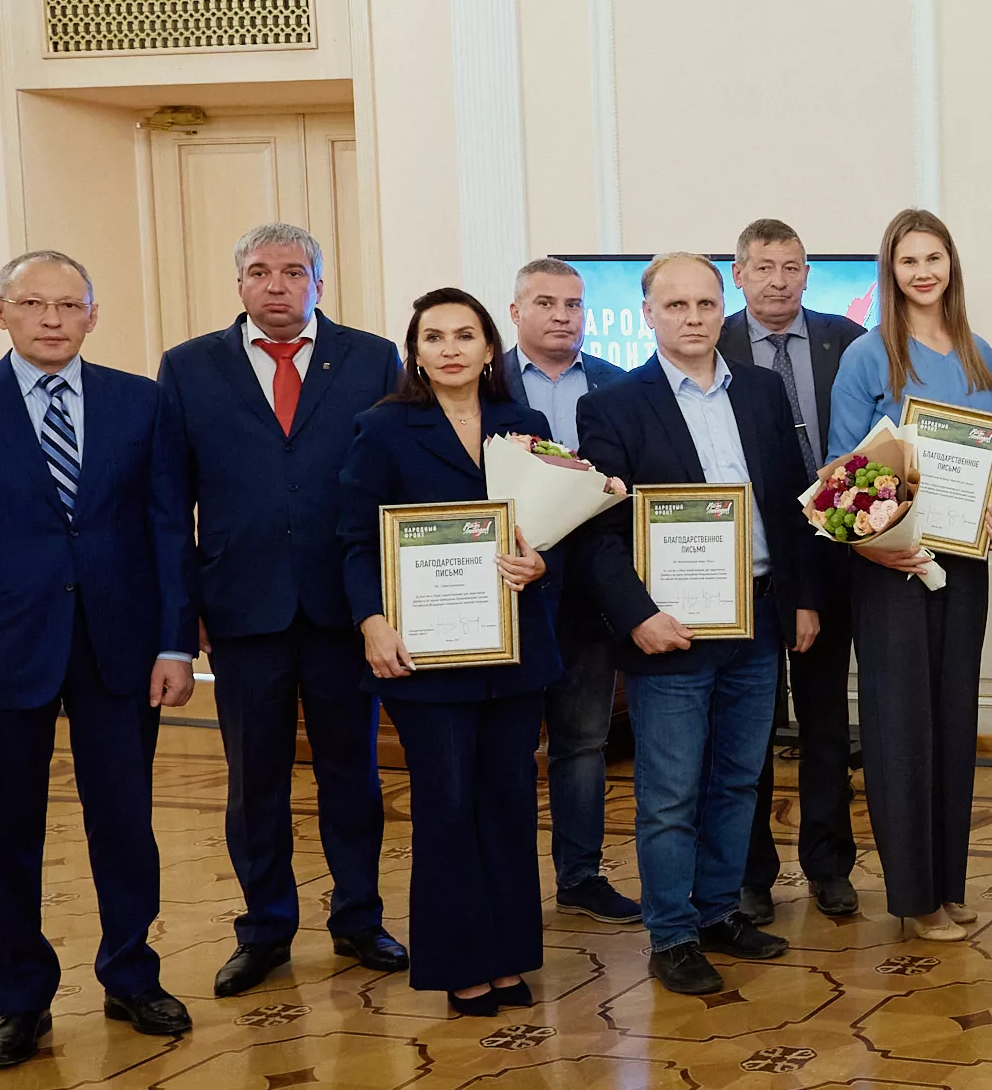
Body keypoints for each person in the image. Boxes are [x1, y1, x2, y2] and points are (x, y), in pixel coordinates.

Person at [0, 252, 196, 1067]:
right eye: (33, 304)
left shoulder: (141, 402)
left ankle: (131, 974)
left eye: (70, 306)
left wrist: (175, 641)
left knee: (125, 825)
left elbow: (168, 530)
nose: (53, 320)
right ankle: (19, 998)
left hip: (121, 649)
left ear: (93, 315)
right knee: (5, 833)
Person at [155, 223, 405, 996]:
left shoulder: (371, 359)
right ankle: (264, 929)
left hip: (344, 608)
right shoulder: (189, 367)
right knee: (254, 782)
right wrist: (180, 617)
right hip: (240, 609)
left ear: (318, 284)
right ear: (239, 283)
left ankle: (359, 916)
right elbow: (169, 505)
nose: (276, 285)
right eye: (260, 271)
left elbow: (396, 483)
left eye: (294, 272)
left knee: (351, 775)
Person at [577, 253, 817, 996]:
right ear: (647, 315)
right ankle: (672, 934)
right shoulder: (613, 406)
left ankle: (718, 913)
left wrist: (803, 599)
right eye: (675, 305)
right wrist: (638, 617)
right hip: (669, 628)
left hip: (758, 616)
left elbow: (791, 505)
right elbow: (598, 534)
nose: (692, 317)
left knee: (739, 780)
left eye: (706, 304)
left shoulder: (763, 392)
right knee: (670, 793)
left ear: (724, 309)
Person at [340, 289, 560, 1016]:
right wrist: (372, 621)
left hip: (512, 651)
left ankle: (508, 955)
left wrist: (540, 564)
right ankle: (461, 964)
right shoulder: (383, 428)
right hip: (425, 658)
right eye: (433, 337)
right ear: (416, 352)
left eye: (464, 335)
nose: (450, 349)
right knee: (446, 805)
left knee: (509, 803)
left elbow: (554, 529)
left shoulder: (525, 426)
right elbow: (355, 540)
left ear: (490, 347)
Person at [828, 208, 992, 941]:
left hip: (964, 565)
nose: (923, 272)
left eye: (934, 258)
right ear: (891, 271)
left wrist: (991, 505)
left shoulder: (979, 351)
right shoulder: (867, 356)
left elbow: (989, 457)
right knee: (902, 729)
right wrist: (874, 546)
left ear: (951, 264)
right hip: (892, 567)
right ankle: (914, 896)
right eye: (909, 261)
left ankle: (947, 884)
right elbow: (841, 472)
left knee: (953, 722)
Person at [722, 218, 864, 924]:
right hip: (744, 561)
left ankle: (829, 866)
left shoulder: (851, 340)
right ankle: (751, 874)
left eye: (792, 267)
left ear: (808, 273)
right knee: (746, 727)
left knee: (826, 724)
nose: (779, 282)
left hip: (833, 555)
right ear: (739, 274)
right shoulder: (711, 342)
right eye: (764, 267)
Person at [503, 257, 640, 923]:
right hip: (504, 596)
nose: (563, 316)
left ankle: (581, 875)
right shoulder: (483, 383)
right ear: (515, 312)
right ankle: (503, 883)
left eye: (574, 304)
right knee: (504, 746)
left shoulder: (617, 385)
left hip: (589, 594)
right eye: (546, 303)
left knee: (583, 743)